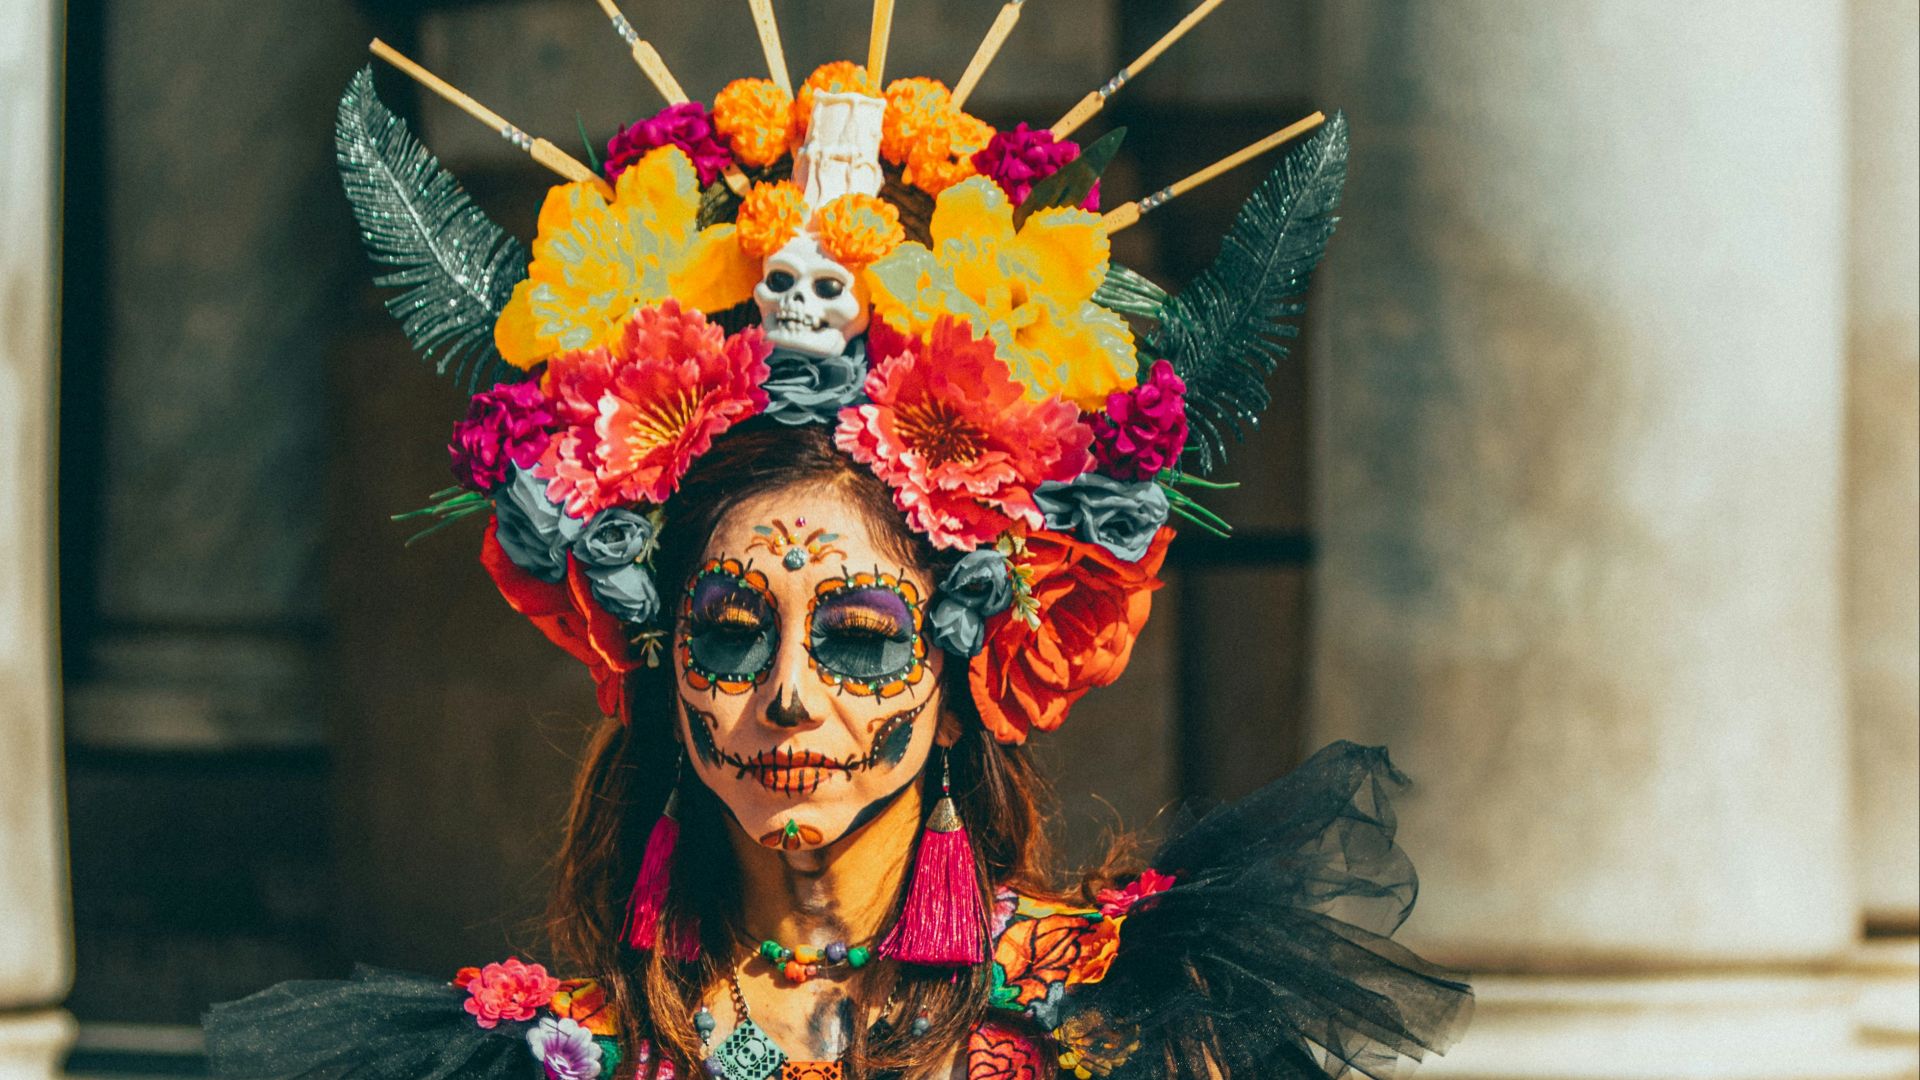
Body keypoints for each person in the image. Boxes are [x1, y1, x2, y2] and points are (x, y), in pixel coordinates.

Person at [205, 29, 1472, 1080]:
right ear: (660, 661)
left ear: (957, 668)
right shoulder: (561, 1055)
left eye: (861, 639)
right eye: (729, 635)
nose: (790, 695)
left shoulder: (1129, 1020)